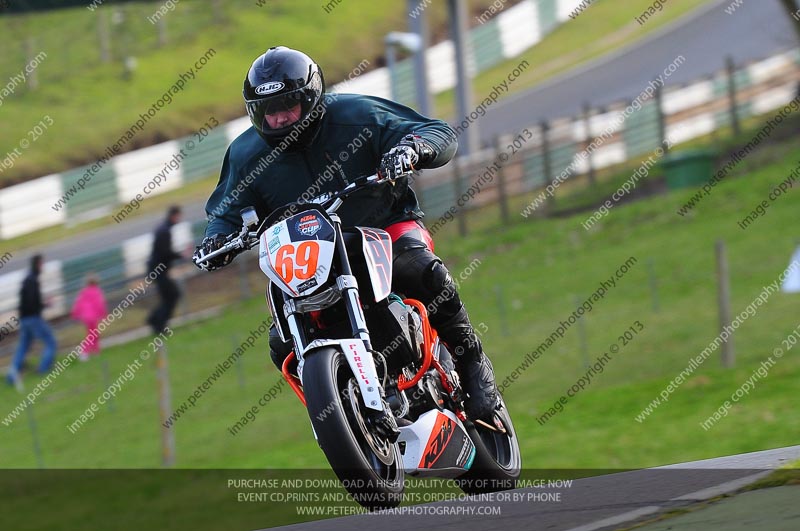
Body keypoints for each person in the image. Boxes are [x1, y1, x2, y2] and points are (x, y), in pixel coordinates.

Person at [192, 46, 499, 421]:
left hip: (385, 225)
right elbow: (224, 211)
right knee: (280, 342)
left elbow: (436, 132)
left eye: (287, 105)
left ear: (312, 98)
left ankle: (474, 363)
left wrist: (413, 149)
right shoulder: (245, 155)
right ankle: (341, 412)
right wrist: (217, 239)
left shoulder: (358, 115)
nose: (278, 119)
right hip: (308, 252)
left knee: (421, 270)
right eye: (267, 112)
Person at [7, 254, 57, 384]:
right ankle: (43, 369)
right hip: (33, 318)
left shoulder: (27, 279)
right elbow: (32, 302)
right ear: (38, 264)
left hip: (24, 319)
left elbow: (26, 302)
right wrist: (45, 304)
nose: (43, 267)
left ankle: (11, 376)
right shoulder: (32, 280)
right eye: (42, 264)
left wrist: (41, 304)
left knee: (23, 347)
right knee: (51, 342)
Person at [147, 205, 183, 334]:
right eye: (178, 216)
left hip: (158, 270)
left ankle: (156, 321)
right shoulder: (164, 231)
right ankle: (157, 323)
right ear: (174, 215)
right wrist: (180, 255)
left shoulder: (164, 228)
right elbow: (165, 253)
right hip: (158, 270)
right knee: (172, 296)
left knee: (169, 296)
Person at [70, 274, 108, 360]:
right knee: (93, 335)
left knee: (93, 334)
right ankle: (85, 351)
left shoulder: (83, 292)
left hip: (86, 317)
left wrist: (75, 314)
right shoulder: (97, 291)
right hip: (93, 317)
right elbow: (100, 304)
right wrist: (104, 314)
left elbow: (78, 304)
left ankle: (95, 351)